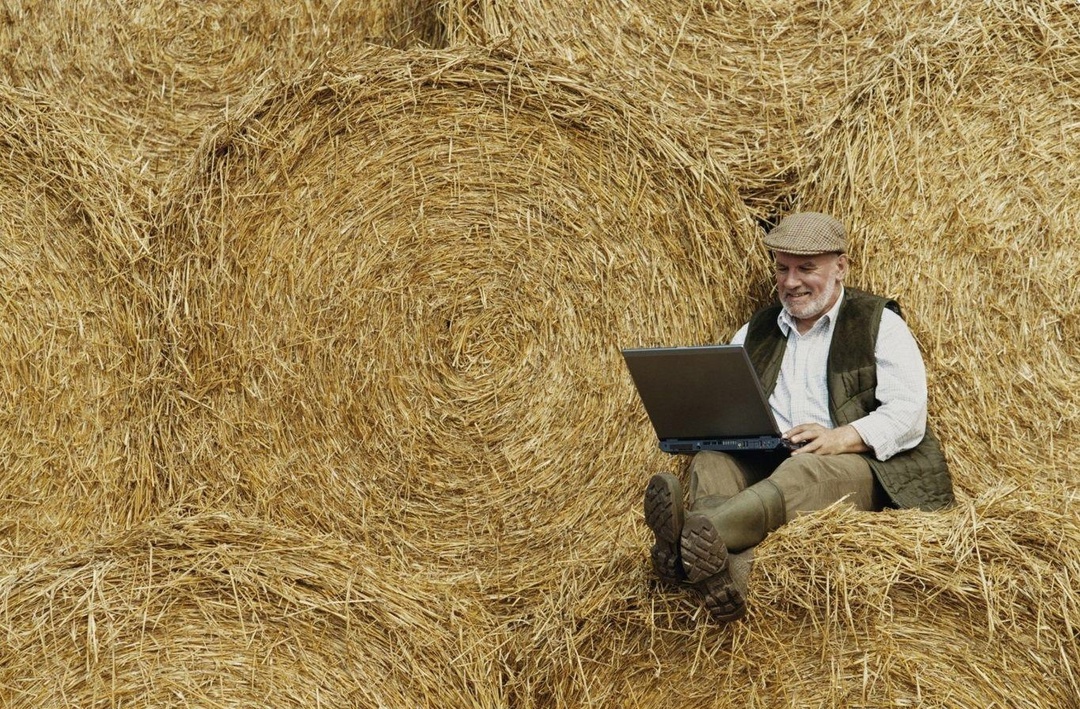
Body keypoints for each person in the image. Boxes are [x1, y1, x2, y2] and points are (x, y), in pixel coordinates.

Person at [643, 212, 954, 622]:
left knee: (803, 471)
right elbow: (729, 400)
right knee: (711, 462)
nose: (791, 282)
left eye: (806, 268)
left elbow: (908, 413)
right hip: (772, 455)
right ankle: (725, 570)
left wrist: (840, 437)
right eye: (783, 268)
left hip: (857, 465)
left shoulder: (879, 323)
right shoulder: (755, 331)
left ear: (840, 267)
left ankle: (691, 541)